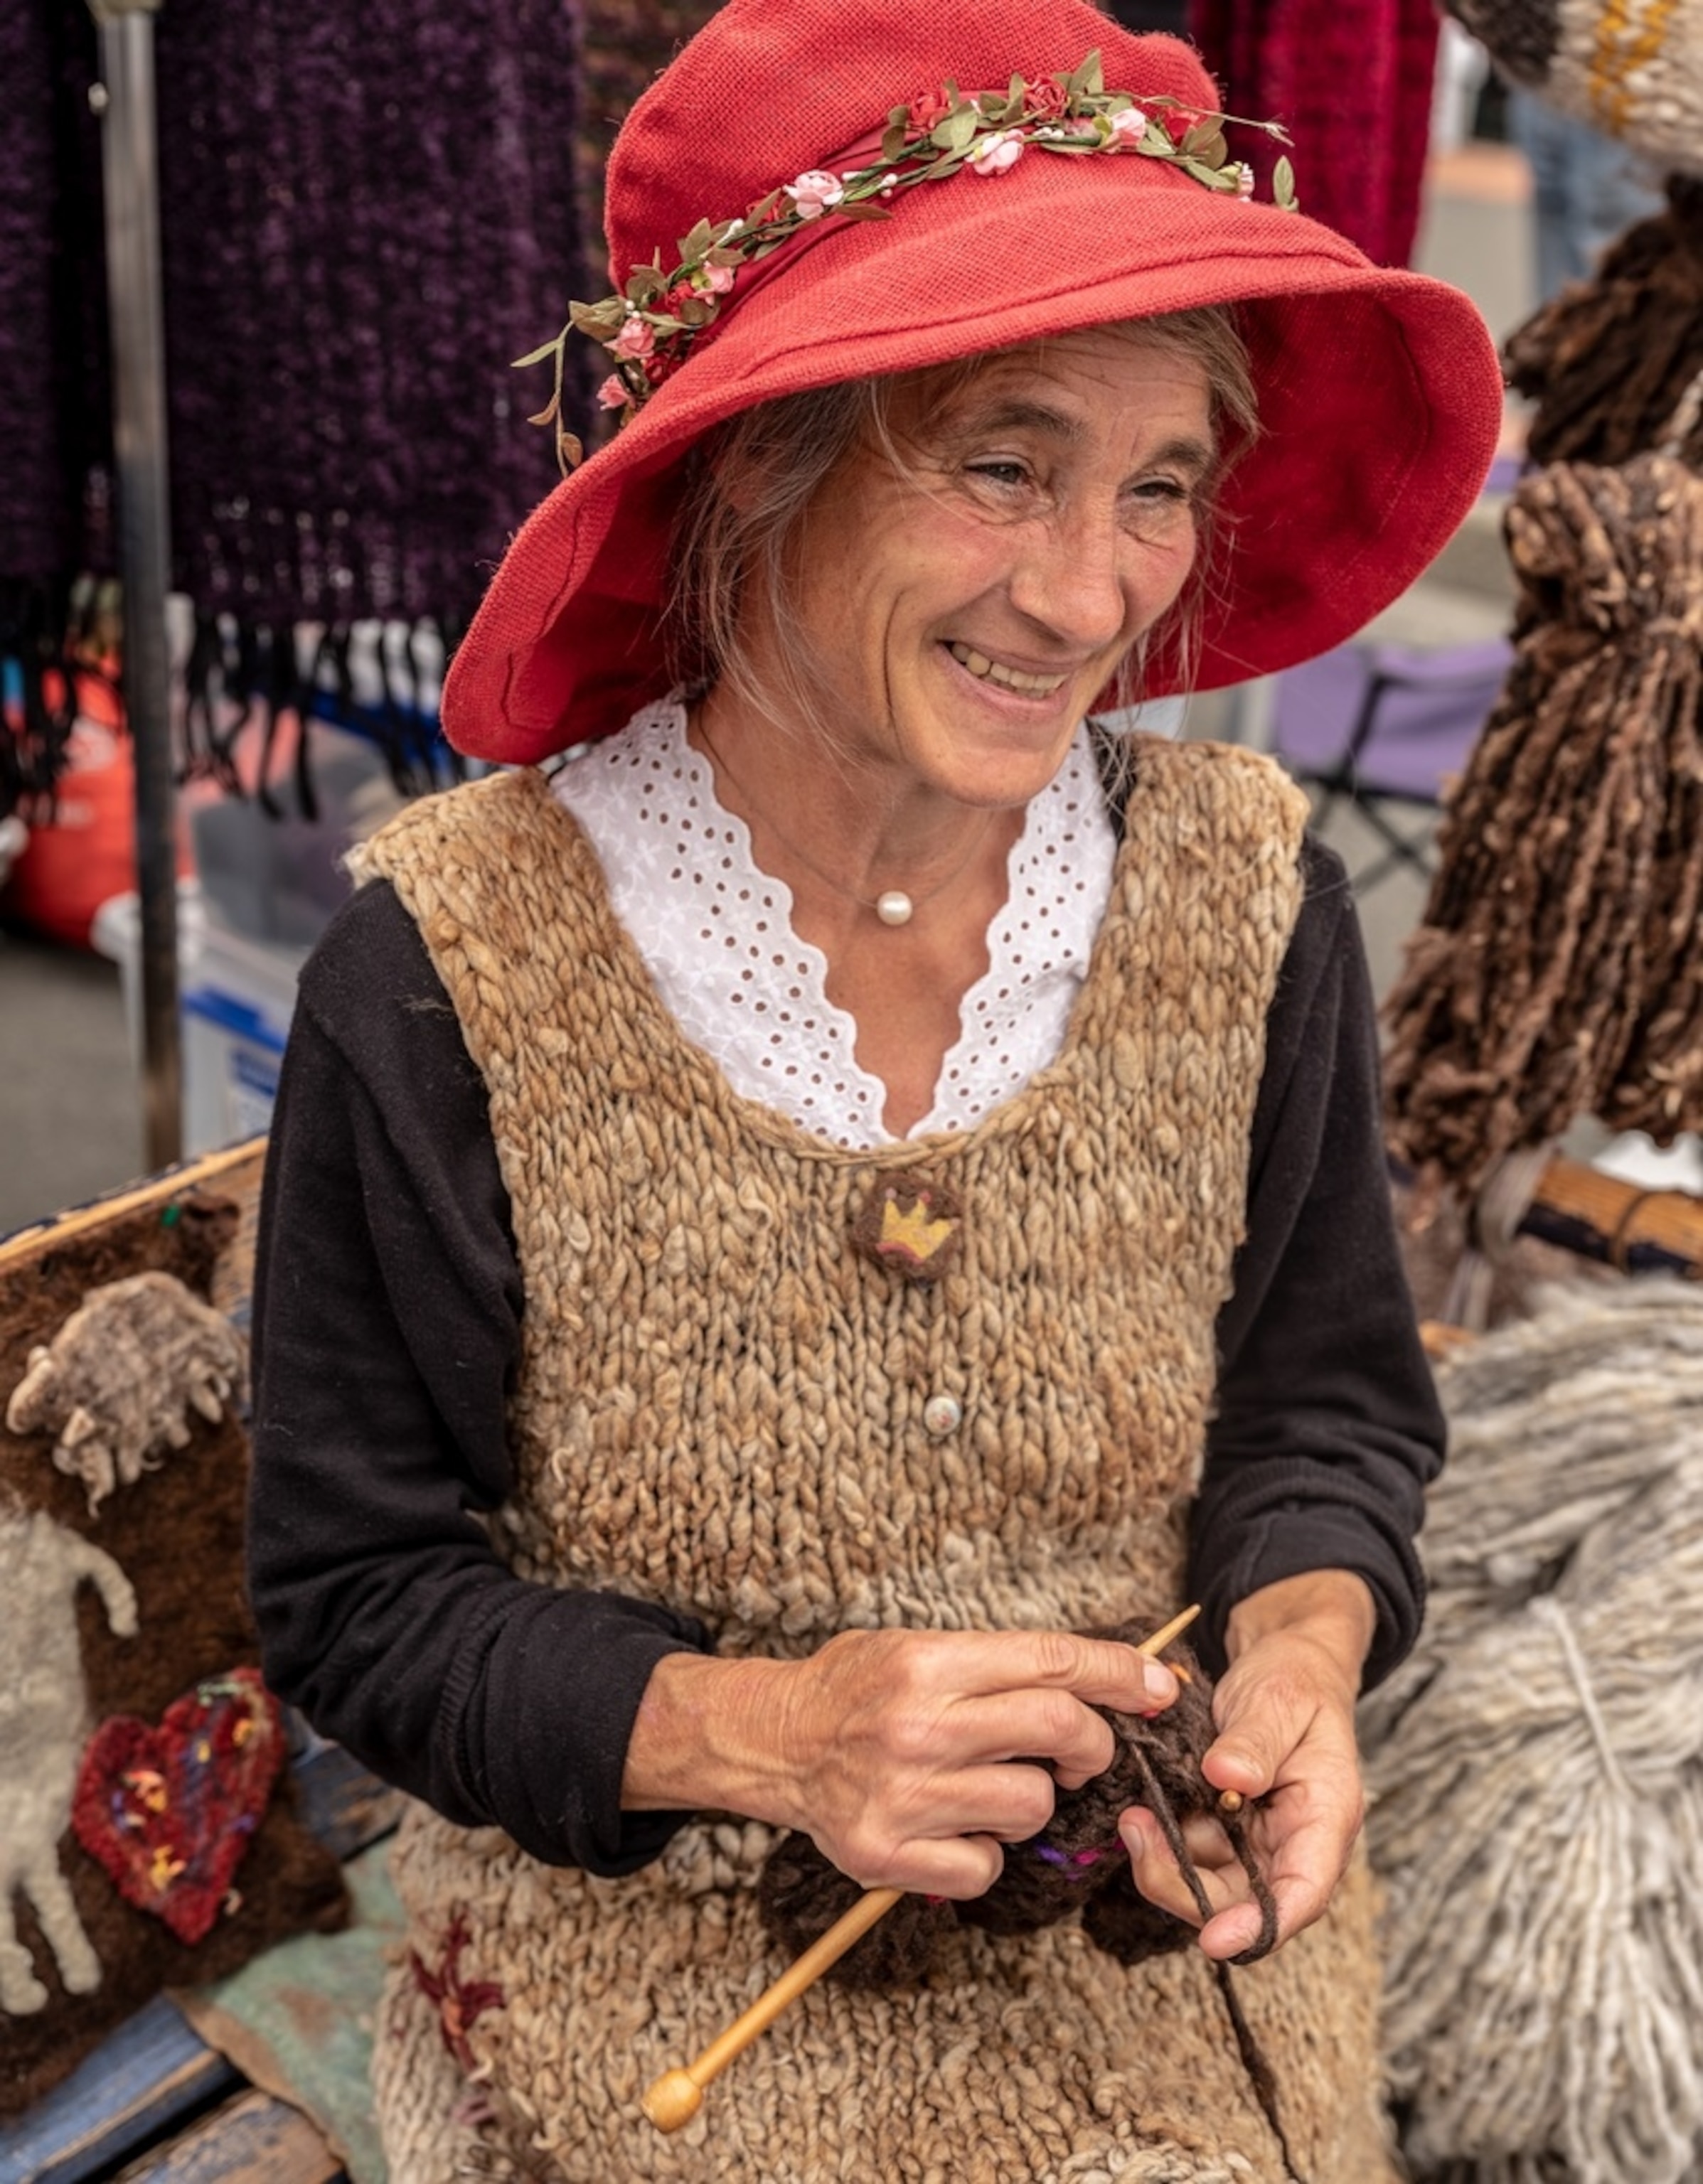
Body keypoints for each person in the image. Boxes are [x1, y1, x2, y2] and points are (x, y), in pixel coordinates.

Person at [247, 1, 1502, 2176]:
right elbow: (359, 1598)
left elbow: (1325, 1411)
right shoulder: (448, 970)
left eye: (1155, 491)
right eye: (1001, 464)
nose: (1084, 590)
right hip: (644, 2010)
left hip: (1179, 1984)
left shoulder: (1238, 901)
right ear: (766, 455)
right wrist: (773, 1736)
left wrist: (1299, 1655)